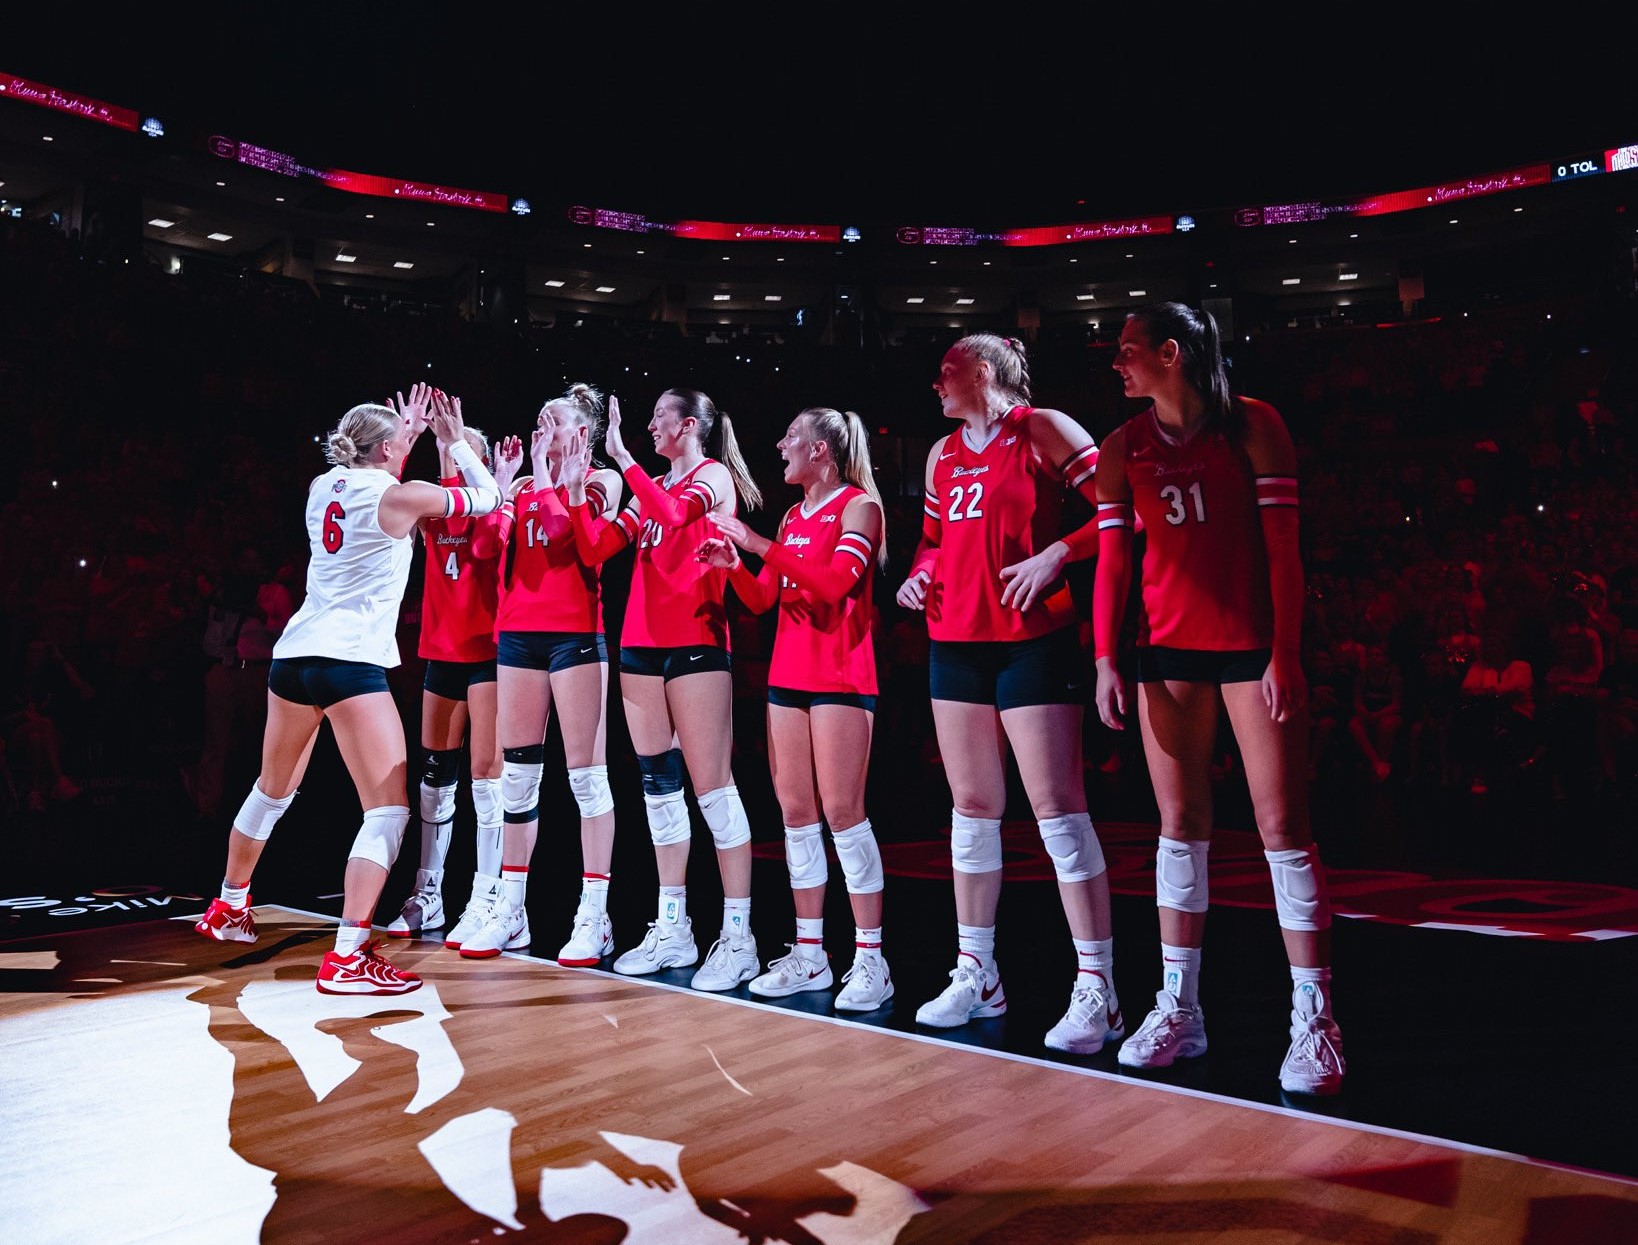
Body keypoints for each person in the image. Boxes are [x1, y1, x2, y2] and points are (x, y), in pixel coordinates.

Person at [1093, 301, 1345, 1096]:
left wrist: (1287, 653)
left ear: (1172, 354)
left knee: (1281, 825)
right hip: (1165, 655)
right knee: (1179, 827)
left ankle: (1315, 1017)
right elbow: (1112, 565)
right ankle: (1181, 1005)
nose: (1117, 362)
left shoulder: (1254, 426)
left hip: (1249, 652)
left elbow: (1283, 550)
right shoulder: (1120, 447)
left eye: (1130, 349)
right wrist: (1105, 658)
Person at [193, 384, 503, 995]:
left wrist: (406, 433)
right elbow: (487, 498)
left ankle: (230, 902)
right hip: (349, 662)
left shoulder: (322, 486)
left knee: (271, 790)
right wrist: (452, 443)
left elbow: (375, 474)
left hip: (294, 656)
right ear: (389, 448)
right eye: (402, 442)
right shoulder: (401, 496)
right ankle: (349, 956)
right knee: (387, 811)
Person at [894, 332, 1122, 1055]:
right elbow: (933, 539)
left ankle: (1100, 987)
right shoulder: (940, 454)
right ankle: (977, 971)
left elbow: (1120, 511)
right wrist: (920, 572)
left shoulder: (1045, 428)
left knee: (1057, 809)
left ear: (982, 371)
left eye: (945, 369)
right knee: (971, 808)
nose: (936, 383)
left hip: (1032, 636)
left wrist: (1059, 552)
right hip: (954, 639)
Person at [696, 406, 894, 1013]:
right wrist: (735, 568)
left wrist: (754, 542)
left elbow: (834, 586)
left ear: (822, 453)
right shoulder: (792, 514)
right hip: (789, 679)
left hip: (840, 679)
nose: (780, 444)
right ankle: (811, 953)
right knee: (797, 815)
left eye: (792, 437)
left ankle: (871, 958)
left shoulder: (860, 507)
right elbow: (766, 599)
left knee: (843, 813)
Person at [568, 389, 765, 991]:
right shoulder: (654, 486)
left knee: (713, 790)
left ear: (687, 426)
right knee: (658, 788)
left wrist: (621, 457)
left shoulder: (712, 478)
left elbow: (678, 517)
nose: (648, 426)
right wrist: (578, 490)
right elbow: (597, 547)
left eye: (657, 418)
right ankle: (673, 924)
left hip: (698, 644)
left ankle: (739, 937)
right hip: (640, 648)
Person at [457, 384, 626, 965]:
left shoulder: (601, 482)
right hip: (519, 637)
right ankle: (512, 909)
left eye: (551, 421)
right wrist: (504, 491)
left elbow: (566, 537)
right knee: (517, 781)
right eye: (538, 417)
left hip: (576, 636)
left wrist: (552, 480)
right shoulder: (526, 485)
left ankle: (594, 915)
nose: (539, 428)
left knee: (586, 780)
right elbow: (482, 550)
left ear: (581, 434)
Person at [383, 423, 514, 942]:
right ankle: (429, 895)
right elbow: (388, 495)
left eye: (461, 453)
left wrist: (497, 484)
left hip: (489, 653)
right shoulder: (430, 511)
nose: (451, 461)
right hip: (441, 654)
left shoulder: (497, 508)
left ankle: (486, 897)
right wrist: (414, 439)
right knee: (434, 781)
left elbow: (484, 547)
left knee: (488, 780)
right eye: (445, 453)